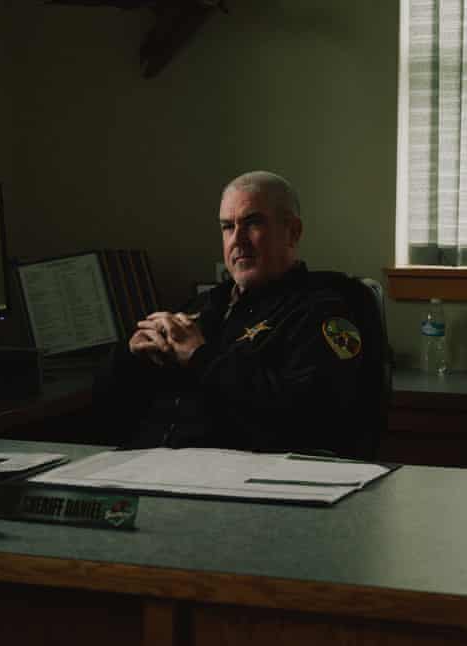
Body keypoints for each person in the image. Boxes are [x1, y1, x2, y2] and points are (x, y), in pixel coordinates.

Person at [93, 171, 387, 460]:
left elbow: (308, 416)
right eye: (227, 227)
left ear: (293, 232)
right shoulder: (204, 305)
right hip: (146, 466)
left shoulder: (322, 310)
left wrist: (200, 357)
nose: (238, 240)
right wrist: (131, 356)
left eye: (253, 223)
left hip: (238, 480)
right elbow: (107, 407)